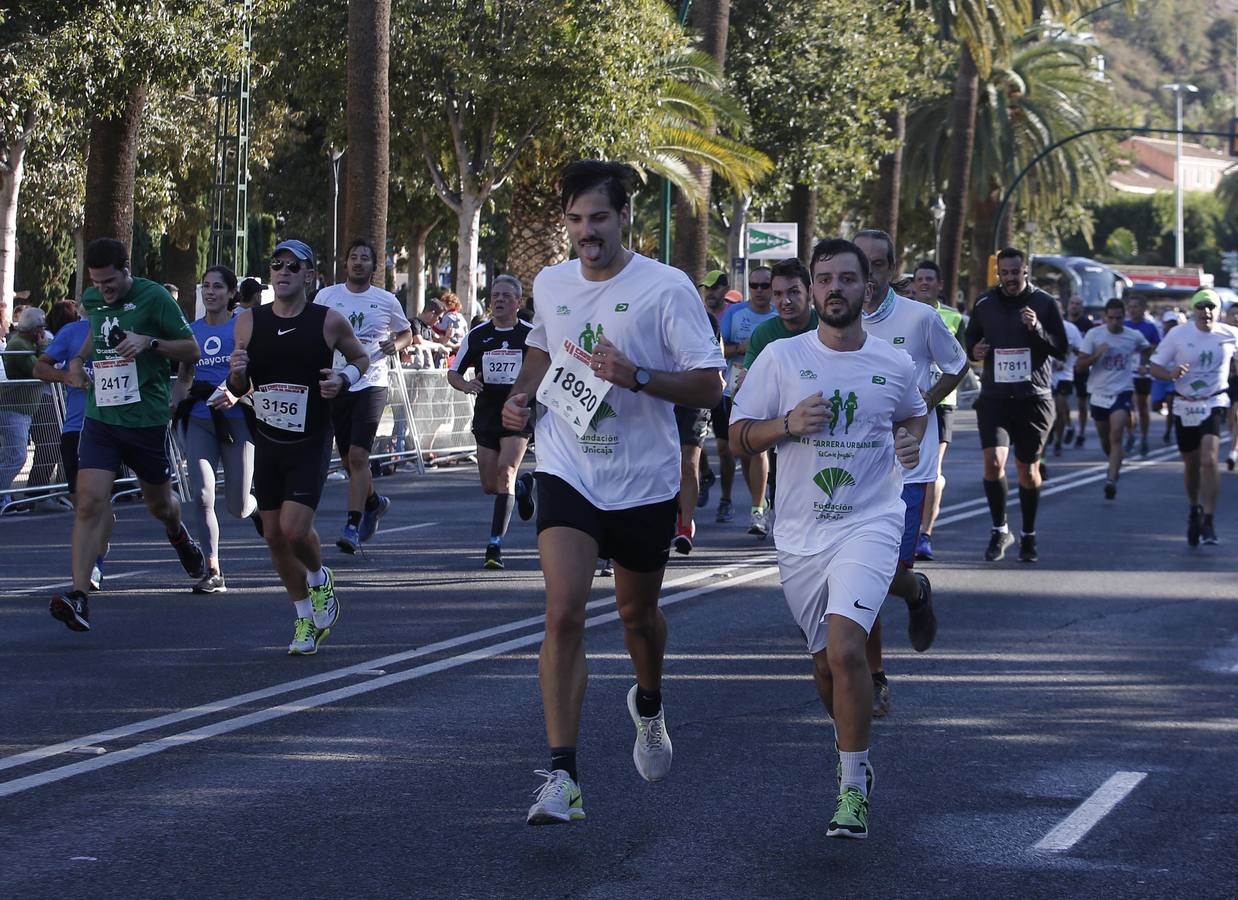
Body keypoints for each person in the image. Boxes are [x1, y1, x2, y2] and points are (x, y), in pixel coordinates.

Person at [500, 161, 723, 826]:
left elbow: (709, 384)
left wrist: (639, 376)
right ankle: (562, 774)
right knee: (563, 611)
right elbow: (541, 349)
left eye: (598, 218)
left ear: (626, 218)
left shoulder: (666, 288)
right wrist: (521, 395)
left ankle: (648, 703)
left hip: (643, 480)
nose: (586, 232)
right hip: (568, 467)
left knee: (635, 618)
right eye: (575, 220)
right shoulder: (552, 281)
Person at [731, 238, 926, 839]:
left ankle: (852, 783)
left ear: (868, 288)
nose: (834, 288)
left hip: (870, 520)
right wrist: (787, 425)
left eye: (847, 278)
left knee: (846, 652)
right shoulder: (782, 359)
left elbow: (913, 410)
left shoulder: (893, 363)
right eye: (824, 279)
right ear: (813, 290)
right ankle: (854, 750)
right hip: (799, 532)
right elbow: (738, 435)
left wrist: (912, 439)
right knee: (824, 669)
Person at [49, 238, 206, 632]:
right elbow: (97, 330)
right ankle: (79, 597)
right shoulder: (95, 297)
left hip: (145, 422)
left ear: (126, 269)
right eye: (97, 284)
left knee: (159, 504)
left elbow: (193, 351)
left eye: (110, 283)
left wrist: (150, 343)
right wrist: (81, 359)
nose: (103, 290)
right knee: (89, 503)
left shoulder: (154, 298)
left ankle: (178, 533)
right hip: (101, 420)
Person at [226, 239, 367, 653]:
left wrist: (342, 380)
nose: (283, 271)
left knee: (293, 528)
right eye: (277, 265)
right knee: (273, 535)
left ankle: (321, 577)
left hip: (310, 440)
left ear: (309, 274)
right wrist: (236, 376)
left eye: (293, 266)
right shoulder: (249, 322)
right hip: (267, 438)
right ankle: (304, 618)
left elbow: (361, 359)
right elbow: (240, 386)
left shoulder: (329, 321)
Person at [853, 231, 964, 717]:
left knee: (889, 576)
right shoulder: (838, 317)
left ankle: (917, 591)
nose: (870, 275)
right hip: (856, 465)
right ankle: (874, 677)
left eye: (879, 265)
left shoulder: (920, 318)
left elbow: (956, 365)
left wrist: (921, 407)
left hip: (910, 468)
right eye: (863, 264)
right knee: (866, 577)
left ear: (892, 268)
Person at [965, 247, 1067, 564]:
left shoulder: (1044, 304)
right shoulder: (984, 303)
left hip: (1033, 399)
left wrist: (1036, 329)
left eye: (1015, 271)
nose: (1010, 278)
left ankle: (1029, 534)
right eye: (1004, 272)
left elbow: (1061, 348)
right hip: (995, 398)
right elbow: (970, 344)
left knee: (1027, 470)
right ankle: (999, 529)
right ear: (999, 274)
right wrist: (976, 351)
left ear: (1026, 271)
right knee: (994, 463)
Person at [314, 238, 413, 554]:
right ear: (345, 263)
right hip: (337, 383)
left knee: (358, 457)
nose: (358, 262)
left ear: (374, 266)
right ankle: (373, 501)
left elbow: (407, 332)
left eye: (365, 258)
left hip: (372, 381)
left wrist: (395, 345)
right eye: (353, 257)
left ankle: (352, 526)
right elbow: (313, 331)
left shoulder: (385, 300)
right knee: (347, 459)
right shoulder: (327, 296)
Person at [172, 265, 260, 593]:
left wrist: (236, 393)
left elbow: (259, 375)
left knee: (236, 506)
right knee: (203, 494)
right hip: (199, 419)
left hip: (237, 422)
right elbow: (183, 378)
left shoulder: (243, 327)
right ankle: (213, 570)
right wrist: (175, 407)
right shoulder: (191, 331)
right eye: (206, 286)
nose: (211, 292)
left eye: (218, 287)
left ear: (232, 293)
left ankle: (256, 508)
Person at [447, 274, 536, 568]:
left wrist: (528, 395)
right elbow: (454, 372)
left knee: (506, 471)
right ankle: (523, 489)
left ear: (517, 302)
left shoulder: (531, 335)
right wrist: (467, 386)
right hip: (486, 414)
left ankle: (494, 545)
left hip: (518, 413)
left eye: (506, 296)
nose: (498, 300)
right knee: (490, 485)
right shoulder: (478, 335)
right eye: (495, 295)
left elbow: (545, 370)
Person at [1149, 289, 1238, 546]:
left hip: (1214, 400)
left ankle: (1209, 518)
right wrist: (1171, 374)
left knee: (1209, 459)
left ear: (1218, 310)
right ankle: (1194, 508)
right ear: (1193, 310)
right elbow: (1155, 366)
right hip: (1184, 404)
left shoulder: (1229, 334)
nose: (1206, 312)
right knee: (1191, 463)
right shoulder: (1178, 334)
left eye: (1211, 307)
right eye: (1201, 307)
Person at [909, 260, 966, 560]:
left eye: (930, 278)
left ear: (939, 284)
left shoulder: (953, 317)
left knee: (933, 471)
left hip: (942, 402)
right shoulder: (904, 315)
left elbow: (965, 359)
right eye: (919, 278)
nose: (924, 283)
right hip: (909, 403)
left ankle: (925, 535)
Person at [720, 265, 778, 535]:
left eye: (764, 286)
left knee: (759, 449)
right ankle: (761, 497)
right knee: (743, 450)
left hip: (772, 392)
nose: (758, 291)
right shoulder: (735, 313)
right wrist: (741, 348)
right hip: (737, 390)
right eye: (753, 286)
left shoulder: (781, 315)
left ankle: (757, 509)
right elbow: (718, 350)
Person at [1075, 299, 1152, 500]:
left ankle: (1111, 480)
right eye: (1111, 318)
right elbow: (1080, 365)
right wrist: (1097, 354)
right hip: (1098, 392)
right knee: (1105, 438)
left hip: (1122, 391)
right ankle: (1114, 462)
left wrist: (1144, 364)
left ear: (1124, 317)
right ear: (1105, 317)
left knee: (1116, 434)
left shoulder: (1133, 336)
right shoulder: (1094, 334)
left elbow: (1147, 348)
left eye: (1119, 318)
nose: (1115, 322)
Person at [0, 307, 46, 507]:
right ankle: (2, 495)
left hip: (22, 409)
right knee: (17, 456)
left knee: (10, 455)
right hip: (14, 409)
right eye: (41, 329)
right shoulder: (19, 344)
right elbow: (40, 370)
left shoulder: (27, 343)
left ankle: (5, 495)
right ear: (36, 329)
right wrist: (43, 347)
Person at [1124, 296, 1161, 457]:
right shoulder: (1124, 325)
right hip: (1126, 373)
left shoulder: (1150, 327)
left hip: (1143, 373)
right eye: (1130, 307)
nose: (1132, 310)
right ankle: (1131, 435)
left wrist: (1146, 363)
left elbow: (1157, 349)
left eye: (1136, 307)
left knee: (1142, 407)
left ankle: (1144, 437)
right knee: (1128, 407)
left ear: (1143, 309)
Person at [1050, 301, 1083, 457]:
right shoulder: (1042, 326)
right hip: (1047, 375)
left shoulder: (1071, 328)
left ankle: (1059, 440)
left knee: (1060, 405)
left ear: (1062, 311)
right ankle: (1055, 432)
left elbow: (1081, 350)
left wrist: (1069, 352)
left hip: (1065, 374)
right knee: (1052, 410)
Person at [1064, 296, 1096, 447]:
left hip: (1080, 367)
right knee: (1061, 401)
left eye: (1078, 304)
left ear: (1082, 308)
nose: (1074, 306)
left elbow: (1089, 350)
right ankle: (1069, 425)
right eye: (1072, 303)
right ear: (1067, 305)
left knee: (1082, 403)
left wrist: (1075, 349)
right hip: (1063, 368)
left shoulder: (1087, 325)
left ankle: (1081, 432)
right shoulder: (1061, 321)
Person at [409, 298, 448, 368]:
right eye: (439, 318)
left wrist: (448, 336)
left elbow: (440, 341)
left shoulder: (429, 328)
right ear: (432, 313)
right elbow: (418, 341)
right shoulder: (414, 323)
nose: (438, 321)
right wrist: (439, 346)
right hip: (415, 367)